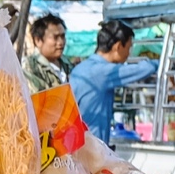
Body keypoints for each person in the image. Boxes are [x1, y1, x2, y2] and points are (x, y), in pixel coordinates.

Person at [67, 19, 157, 149]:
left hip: (76, 146)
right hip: (91, 150)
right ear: (118, 46)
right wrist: (159, 64)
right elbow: (143, 69)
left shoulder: (81, 68)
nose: (129, 53)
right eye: (129, 47)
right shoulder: (103, 72)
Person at [23, 12, 69, 93]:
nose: (61, 42)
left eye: (63, 36)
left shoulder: (67, 64)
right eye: (55, 37)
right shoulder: (30, 66)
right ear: (38, 41)